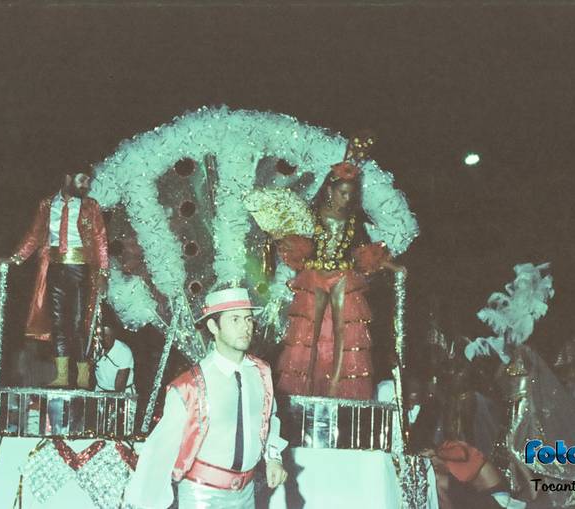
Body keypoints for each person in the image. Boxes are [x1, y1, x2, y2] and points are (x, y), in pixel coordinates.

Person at [124, 287, 288, 509]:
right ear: (213, 326)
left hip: (247, 495)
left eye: (248, 319)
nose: (245, 327)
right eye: (235, 319)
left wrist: (274, 458)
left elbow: (269, 419)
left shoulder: (261, 373)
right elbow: (160, 451)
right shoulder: (189, 386)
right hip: (201, 496)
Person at [275, 136, 405, 399]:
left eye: (350, 194)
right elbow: (296, 239)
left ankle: (336, 382)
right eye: (342, 193)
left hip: (343, 274)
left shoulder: (353, 220)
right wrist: (281, 238)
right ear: (330, 190)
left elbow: (363, 252)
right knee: (310, 330)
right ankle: (305, 381)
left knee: (342, 329)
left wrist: (393, 266)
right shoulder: (313, 214)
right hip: (315, 273)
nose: (346, 199)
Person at [0, 172, 108, 388]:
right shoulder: (47, 205)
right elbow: (34, 234)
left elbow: (100, 239)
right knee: (58, 323)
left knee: (78, 323)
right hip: (56, 268)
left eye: (88, 180)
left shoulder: (91, 205)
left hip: (81, 269)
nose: (86, 184)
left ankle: (83, 375)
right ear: (68, 178)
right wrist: (14, 259)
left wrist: (103, 273)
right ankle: (62, 375)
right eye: (82, 179)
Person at [94, 324, 135, 394]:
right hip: (100, 390)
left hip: (122, 393)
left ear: (114, 336)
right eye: (102, 335)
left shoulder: (123, 351)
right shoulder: (95, 348)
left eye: (108, 336)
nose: (104, 339)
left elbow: (119, 388)